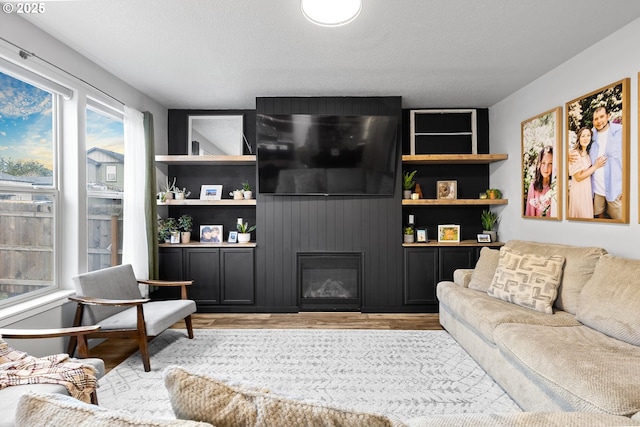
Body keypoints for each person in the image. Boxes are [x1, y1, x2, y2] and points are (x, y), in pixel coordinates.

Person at [589, 106, 622, 219]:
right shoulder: (590, 136)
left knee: (621, 222)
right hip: (597, 190)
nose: (599, 121)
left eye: (601, 117)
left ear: (608, 116)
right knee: (600, 222)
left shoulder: (621, 132)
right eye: (596, 119)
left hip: (616, 189)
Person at [568, 127, 605, 218]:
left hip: (587, 192)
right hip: (578, 193)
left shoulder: (588, 155)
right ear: (579, 138)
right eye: (583, 136)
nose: (586, 138)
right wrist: (595, 166)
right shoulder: (574, 154)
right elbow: (578, 177)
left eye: (588, 135)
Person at [525, 145, 555, 217]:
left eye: (550, 163)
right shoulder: (533, 187)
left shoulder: (556, 186)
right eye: (543, 163)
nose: (546, 168)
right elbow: (530, 215)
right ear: (539, 164)